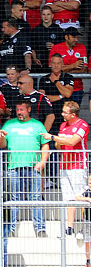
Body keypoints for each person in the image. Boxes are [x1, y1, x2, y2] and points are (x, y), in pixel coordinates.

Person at [0, 100, 49, 238]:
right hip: (13, 167)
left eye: (22, 109)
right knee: (13, 198)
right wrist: (1, 137)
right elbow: (2, 145)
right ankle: (11, 228)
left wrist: (43, 162)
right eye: (17, 110)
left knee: (36, 197)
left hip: (34, 167)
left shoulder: (38, 125)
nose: (19, 112)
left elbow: (45, 145)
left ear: (29, 109)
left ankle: (40, 228)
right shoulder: (9, 124)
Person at [43, 100, 89, 239]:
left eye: (65, 112)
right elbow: (59, 145)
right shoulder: (63, 125)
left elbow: (72, 141)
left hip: (78, 165)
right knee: (68, 197)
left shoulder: (82, 125)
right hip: (64, 165)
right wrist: (58, 141)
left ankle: (84, 228)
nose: (62, 114)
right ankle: (69, 228)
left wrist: (53, 137)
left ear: (73, 114)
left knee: (80, 196)